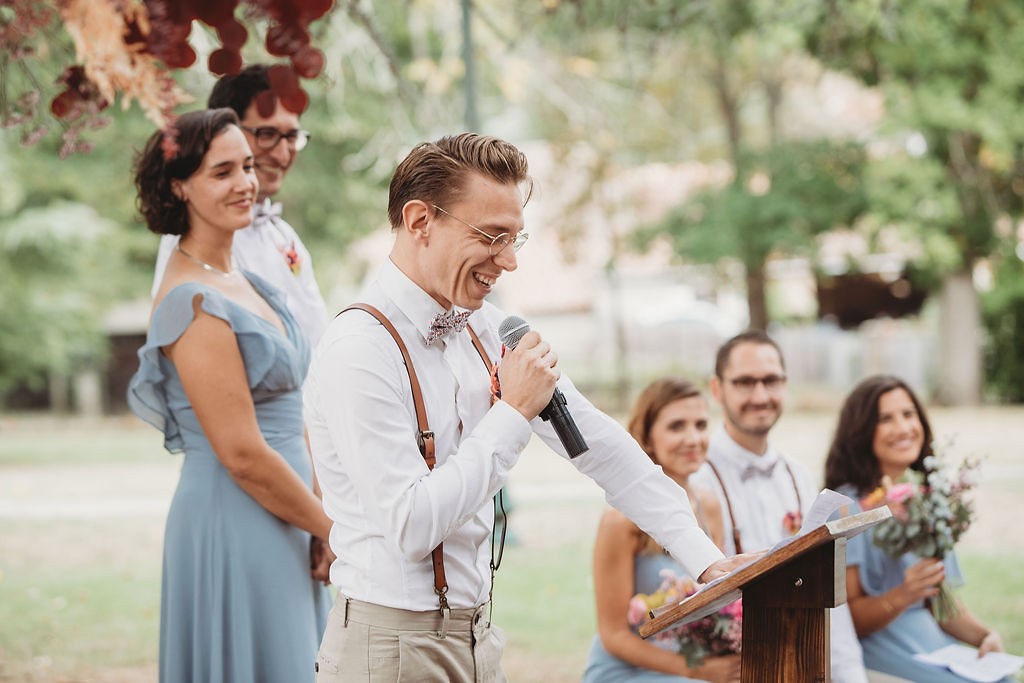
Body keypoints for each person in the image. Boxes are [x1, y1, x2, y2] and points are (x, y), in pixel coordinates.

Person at [304, 133, 754, 682]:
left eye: (516, 238)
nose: (510, 262)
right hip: (388, 646)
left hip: (477, 637)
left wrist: (708, 562)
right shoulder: (360, 348)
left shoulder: (491, 331)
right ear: (420, 221)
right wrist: (511, 415)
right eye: (492, 236)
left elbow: (602, 449)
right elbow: (410, 526)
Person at [128, 108, 332, 682]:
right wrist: (330, 529)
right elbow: (241, 453)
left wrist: (319, 516)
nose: (245, 182)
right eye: (222, 172)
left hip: (292, 513)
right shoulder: (190, 299)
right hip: (236, 519)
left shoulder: (250, 281)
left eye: (245, 166)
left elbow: (297, 412)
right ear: (179, 186)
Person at [690, 330, 869, 683]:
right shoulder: (694, 480)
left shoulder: (798, 477)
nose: (760, 395)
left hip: (803, 661)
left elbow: (828, 593)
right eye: (744, 382)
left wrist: (851, 676)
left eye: (771, 381)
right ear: (717, 389)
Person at [824, 375, 1010, 683]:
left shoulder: (928, 502)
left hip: (931, 644)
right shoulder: (845, 507)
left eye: (909, 414)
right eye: (886, 418)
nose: (903, 428)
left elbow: (942, 603)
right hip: (880, 653)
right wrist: (903, 594)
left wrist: (984, 636)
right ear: (861, 432)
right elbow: (846, 619)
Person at [152, 64, 328, 347]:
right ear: (224, 129)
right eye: (267, 134)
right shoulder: (192, 242)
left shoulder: (283, 234)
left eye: (292, 137)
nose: (283, 154)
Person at [584, 378, 741, 683]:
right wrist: (696, 670)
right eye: (676, 426)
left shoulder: (709, 505)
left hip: (695, 661)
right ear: (647, 438)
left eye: (700, 424)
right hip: (632, 670)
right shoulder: (620, 520)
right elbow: (613, 635)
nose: (693, 438)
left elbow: (714, 601)